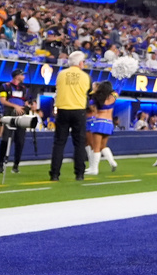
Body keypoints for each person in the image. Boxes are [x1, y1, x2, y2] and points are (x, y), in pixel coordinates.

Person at [50, 51, 91, 182]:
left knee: (59, 143)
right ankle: (79, 173)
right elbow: (88, 92)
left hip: (63, 109)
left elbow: (57, 89)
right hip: (78, 110)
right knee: (79, 144)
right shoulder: (85, 76)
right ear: (80, 63)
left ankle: (55, 174)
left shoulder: (61, 74)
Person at [0, 68, 34, 174]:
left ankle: (16, 165)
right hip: (9, 116)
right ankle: (1, 164)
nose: (24, 77)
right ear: (17, 76)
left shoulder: (24, 89)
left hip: (21, 117)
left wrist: (27, 107)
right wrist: (15, 106)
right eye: (22, 75)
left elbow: (26, 102)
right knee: (6, 140)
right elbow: (3, 100)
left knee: (20, 141)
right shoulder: (5, 86)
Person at [87, 80, 118, 175]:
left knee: (96, 147)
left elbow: (91, 107)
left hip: (99, 123)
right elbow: (117, 90)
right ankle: (112, 162)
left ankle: (94, 169)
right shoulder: (113, 97)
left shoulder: (96, 98)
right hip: (109, 123)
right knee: (102, 146)